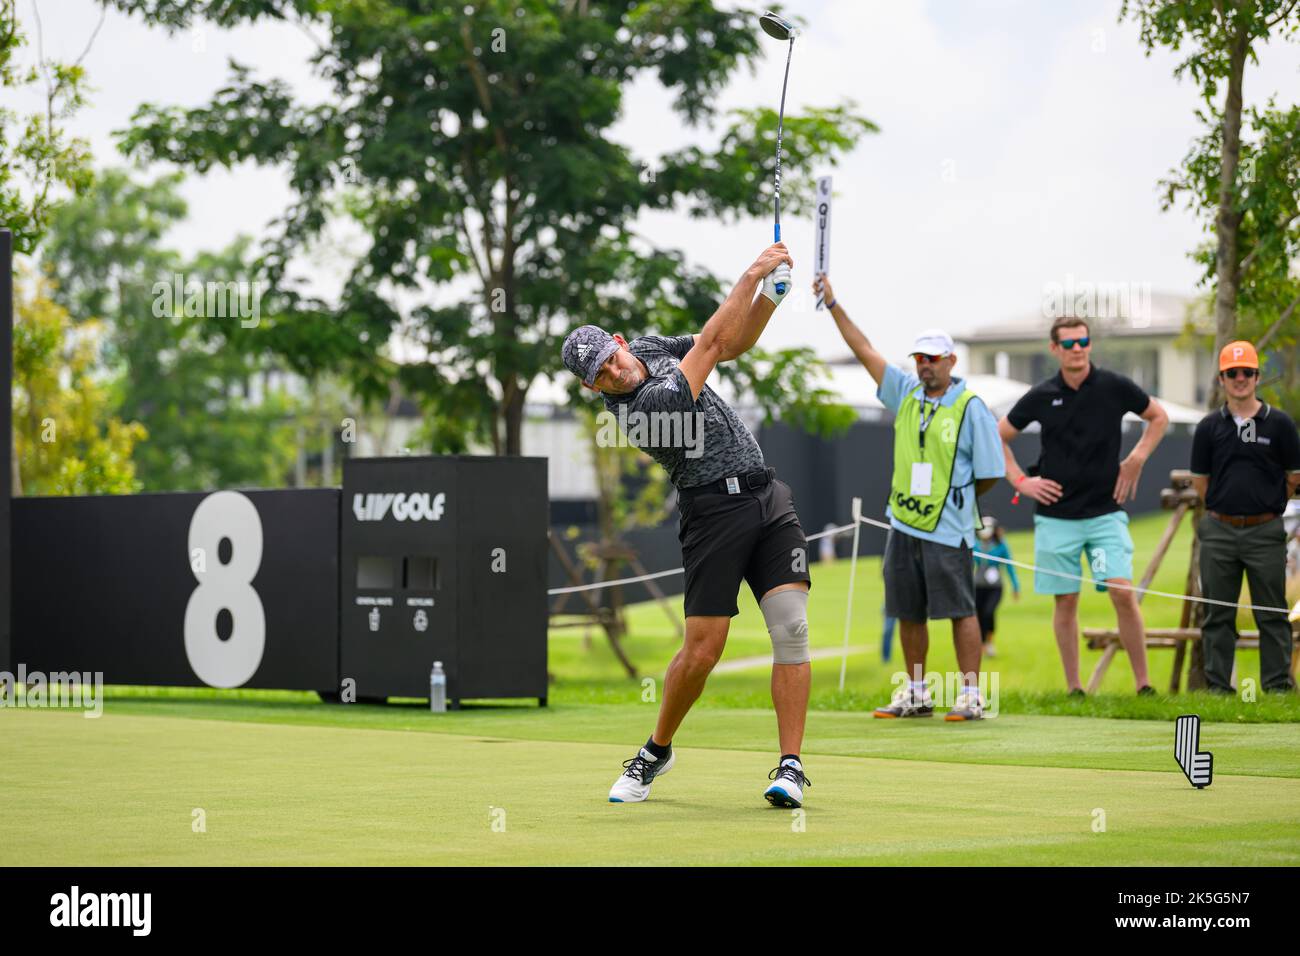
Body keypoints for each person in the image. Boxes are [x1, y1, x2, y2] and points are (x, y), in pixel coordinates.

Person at [562, 242, 815, 808]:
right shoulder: (644, 410)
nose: (612, 370)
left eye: (610, 356)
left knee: (791, 627)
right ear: (591, 388)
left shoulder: (650, 349)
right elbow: (713, 341)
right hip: (712, 515)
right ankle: (657, 749)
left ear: (620, 343)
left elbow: (735, 344)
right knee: (703, 651)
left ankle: (791, 767)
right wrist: (752, 273)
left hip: (765, 496)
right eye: (599, 374)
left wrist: (768, 301)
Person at [815, 273, 1004, 720]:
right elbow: (864, 351)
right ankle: (917, 692)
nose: (925, 365)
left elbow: (990, 473)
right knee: (906, 609)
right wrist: (834, 303)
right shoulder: (905, 393)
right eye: (920, 358)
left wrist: (952, 499)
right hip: (903, 522)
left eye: (934, 358)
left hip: (950, 527)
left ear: (951, 360)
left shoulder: (970, 406)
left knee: (960, 608)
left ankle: (972, 695)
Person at [997, 316, 1169, 695]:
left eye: (1083, 342)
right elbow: (999, 436)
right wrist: (1021, 482)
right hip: (1057, 520)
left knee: (1120, 590)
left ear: (1090, 344)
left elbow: (1158, 417)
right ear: (1054, 349)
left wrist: (1137, 458)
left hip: (1103, 516)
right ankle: (1075, 688)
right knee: (1067, 599)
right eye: (1069, 343)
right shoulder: (1042, 395)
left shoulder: (1113, 386)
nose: (1077, 349)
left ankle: (1144, 685)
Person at [1189, 340, 1300, 694]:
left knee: (1272, 613)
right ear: (1221, 378)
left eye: (1247, 373)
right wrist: (1226, 510)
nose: (1240, 379)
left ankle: (1278, 688)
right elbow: (1200, 482)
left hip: (1265, 530)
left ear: (1257, 377)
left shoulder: (1280, 424)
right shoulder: (1208, 427)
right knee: (1217, 614)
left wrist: (1265, 508)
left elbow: (1294, 477)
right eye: (1232, 373)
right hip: (1219, 530)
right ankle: (1219, 689)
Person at [973, 516, 1019, 657]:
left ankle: (989, 642)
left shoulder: (1001, 545)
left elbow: (1009, 567)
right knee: (979, 615)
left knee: (989, 612)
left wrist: (1015, 587)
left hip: (995, 587)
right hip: (978, 586)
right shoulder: (975, 544)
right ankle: (981, 645)